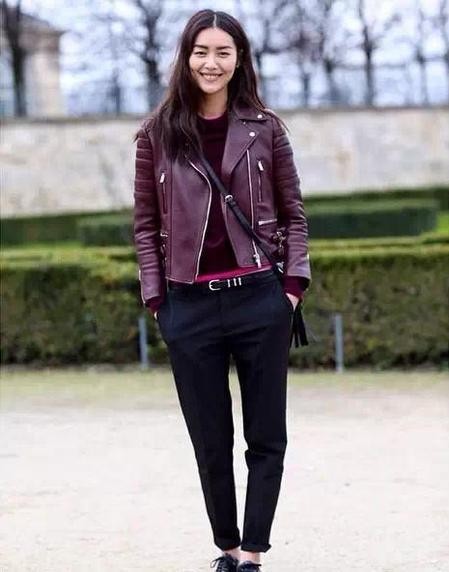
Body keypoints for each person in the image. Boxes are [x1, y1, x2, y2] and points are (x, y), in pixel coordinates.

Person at [133, 9, 311, 571]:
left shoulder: (266, 128)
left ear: (239, 60)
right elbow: (145, 225)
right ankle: (227, 549)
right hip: (187, 306)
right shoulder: (156, 134)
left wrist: (291, 288)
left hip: (260, 298)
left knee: (267, 436)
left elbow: (294, 213)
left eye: (223, 52)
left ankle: (253, 554)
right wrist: (157, 301)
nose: (211, 63)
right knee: (210, 441)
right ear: (186, 58)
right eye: (201, 51)